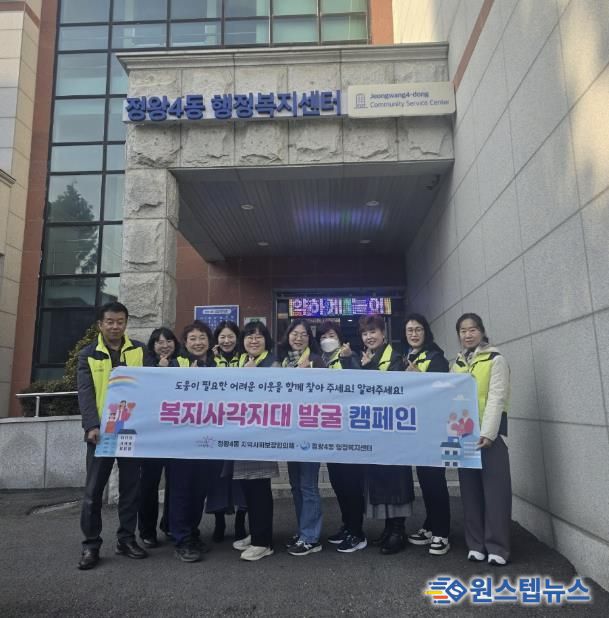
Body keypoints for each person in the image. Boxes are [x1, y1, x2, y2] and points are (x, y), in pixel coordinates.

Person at [77, 301, 151, 570]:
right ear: (100, 324)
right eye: (110, 321)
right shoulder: (88, 354)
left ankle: (126, 539)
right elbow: (85, 392)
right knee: (93, 492)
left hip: (131, 430)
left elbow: (152, 386)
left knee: (131, 489)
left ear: (126, 323)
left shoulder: (140, 350)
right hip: (101, 433)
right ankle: (91, 545)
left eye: (120, 322)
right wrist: (91, 426)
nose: (115, 326)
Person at [451, 313, 511, 566]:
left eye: (473, 329)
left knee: (496, 494)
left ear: (482, 331)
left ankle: (497, 547)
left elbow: (497, 398)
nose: (468, 335)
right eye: (463, 331)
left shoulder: (496, 360)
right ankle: (475, 544)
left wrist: (488, 433)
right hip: (464, 435)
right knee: (470, 493)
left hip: (490, 437)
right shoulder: (457, 364)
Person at [359, 314, 415, 555]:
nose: (369, 337)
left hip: (395, 431)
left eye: (373, 331)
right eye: (365, 333)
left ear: (383, 333)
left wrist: (368, 367)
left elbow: (388, 389)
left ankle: (399, 530)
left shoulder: (396, 358)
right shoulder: (368, 357)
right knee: (381, 478)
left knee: (396, 479)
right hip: (376, 430)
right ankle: (389, 527)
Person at [402, 313, 452, 556]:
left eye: (418, 329)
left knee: (435, 481)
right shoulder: (407, 357)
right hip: (417, 430)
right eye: (409, 330)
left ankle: (442, 532)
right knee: (425, 479)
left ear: (426, 332)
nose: (414, 334)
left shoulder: (436, 358)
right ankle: (431, 525)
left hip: (435, 429)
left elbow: (442, 391)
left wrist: (419, 378)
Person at [316, 321, 367, 553]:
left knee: (351, 482)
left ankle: (357, 532)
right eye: (323, 336)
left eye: (331, 335)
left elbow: (360, 385)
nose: (327, 339)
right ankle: (347, 525)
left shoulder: (348, 356)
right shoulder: (319, 361)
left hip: (349, 431)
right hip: (329, 430)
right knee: (338, 482)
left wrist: (348, 359)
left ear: (339, 337)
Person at [167, 321, 215, 562]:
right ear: (185, 343)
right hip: (180, 441)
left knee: (199, 490)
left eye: (202, 337)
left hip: (207, 440)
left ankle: (192, 532)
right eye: (193, 338)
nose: (198, 342)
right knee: (181, 490)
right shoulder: (175, 365)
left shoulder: (216, 366)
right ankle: (181, 539)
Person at [231, 320, 279, 561]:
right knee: (248, 487)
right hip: (242, 435)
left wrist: (252, 376)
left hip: (261, 436)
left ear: (266, 340)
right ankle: (256, 533)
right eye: (249, 336)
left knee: (259, 488)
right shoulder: (242, 361)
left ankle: (263, 542)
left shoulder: (273, 364)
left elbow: (273, 398)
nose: (254, 340)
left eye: (259, 336)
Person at [278, 319, 325, 556]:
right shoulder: (281, 361)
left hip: (310, 431)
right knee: (296, 485)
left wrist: (309, 373)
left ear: (309, 339)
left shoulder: (317, 361)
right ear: (288, 336)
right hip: (289, 431)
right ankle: (303, 530)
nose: (298, 338)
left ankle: (311, 537)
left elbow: (325, 393)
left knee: (308, 485)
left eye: (304, 334)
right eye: (295, 334)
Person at [138, 327, 179, 548]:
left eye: (169, 341)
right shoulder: (145, 366)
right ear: (152, 346)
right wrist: (159, 372)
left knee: (175, 484)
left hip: (176, 435)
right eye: (159, 342)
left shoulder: (182, 363)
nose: (165, 345)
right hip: (152, 435)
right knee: (149, 485)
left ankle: (170, 525)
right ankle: (147, 531)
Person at [207, 320, 248, 543]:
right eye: (222, 336)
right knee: (218, 477)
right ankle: (219, 521)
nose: (226, 340)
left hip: (242, 426)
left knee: (241, 476)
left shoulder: (247, 359)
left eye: (230, 336)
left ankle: (241, 520)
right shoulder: (210, 360)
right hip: (217, 427)